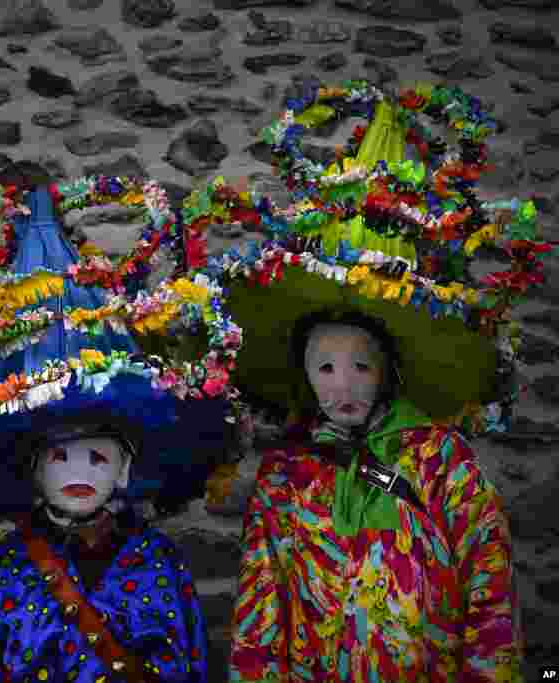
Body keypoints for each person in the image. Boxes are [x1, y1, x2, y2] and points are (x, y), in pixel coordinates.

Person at [200, 80, 547, 680]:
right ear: (304, 376)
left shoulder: (443, 460)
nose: (344, 385)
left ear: (387, 369)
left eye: (361, 365)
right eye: (325, 367)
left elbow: (490, 598)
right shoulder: (285, 476)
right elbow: (260, 616)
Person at [0, 180, 248, 682]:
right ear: (31, 469)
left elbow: (193, 667)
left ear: (125, 469)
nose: (78, 471)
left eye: (97, 457)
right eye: (58, 457)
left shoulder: (163, 565)